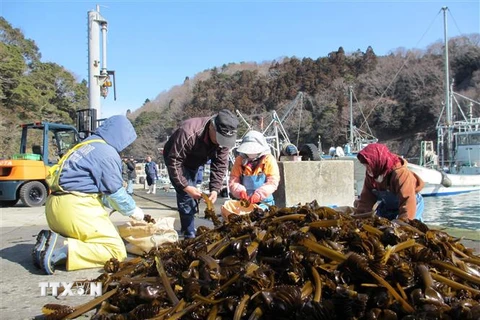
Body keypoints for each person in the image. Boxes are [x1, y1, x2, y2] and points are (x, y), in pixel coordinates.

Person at [32, 115, 145, 275]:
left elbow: (101, 192)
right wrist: (133, 211)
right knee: (115, 250)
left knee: (95, 240)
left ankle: (55, 240)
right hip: (75, 209)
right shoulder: (106, 152)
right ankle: (61, 249)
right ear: (120, 135)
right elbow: (115, 192)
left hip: (55, 208)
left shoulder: (84, 146)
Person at [163, 109, 239, 239]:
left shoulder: (224, 139)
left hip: (197, 160)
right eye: (220, 138)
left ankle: (189, 224)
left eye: (225, 140)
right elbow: (174, 161)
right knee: (186, 196)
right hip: (177, 159)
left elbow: (220, 164)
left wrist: (215, 189)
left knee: (192, 192)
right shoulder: (189, 132)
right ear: (211, 127)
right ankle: (189, 233)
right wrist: (186, 187)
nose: (222, 143)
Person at [355, 143, 425, 221]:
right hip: (388, 206)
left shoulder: (401, 174)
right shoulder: (371, 175)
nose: (368, 169)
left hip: (411, 203)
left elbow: (407, 200)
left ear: (377, 162)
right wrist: (359, 218)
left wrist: (404, 222)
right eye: (366, 166)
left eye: (369, 166)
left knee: (410, 226)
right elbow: (366, 199)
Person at [229, 130, 280, 210]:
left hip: (265, 203)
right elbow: (233, 180)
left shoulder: (268, 159)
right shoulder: (239, 160)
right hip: (245, 203)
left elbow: (273, 182)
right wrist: (240, 191)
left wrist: (259, 195)